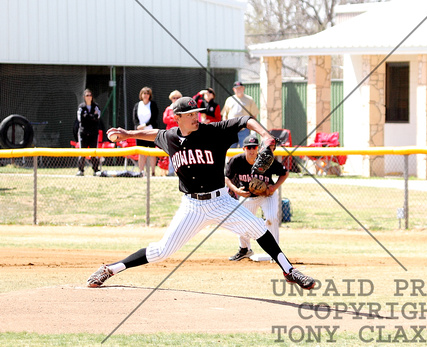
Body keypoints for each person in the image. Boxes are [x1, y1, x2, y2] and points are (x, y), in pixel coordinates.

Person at [87, 97, 316, 290]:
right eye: (190, 114)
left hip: (220, 201)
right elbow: (155, 133)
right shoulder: (171, 138)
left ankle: (289, 270)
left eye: (196, 112)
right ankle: (110, 269)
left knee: (258, 228)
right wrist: (128, 134)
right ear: (177, 117)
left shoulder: (214, 132)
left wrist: (266, 136)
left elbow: (246, 120)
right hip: (192, 207)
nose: (196, 117)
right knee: (161, 251)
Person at [225, 135, 289, 261]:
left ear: (258, 148)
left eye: (254, 147)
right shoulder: (237, 160)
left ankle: (275, 254)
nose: (251, 150)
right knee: (242, 221)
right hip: (247, 195)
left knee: (272, 218)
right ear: (244, 148)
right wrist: (236, 190)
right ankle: (244, 249)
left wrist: (274, 187)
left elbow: (285, 172)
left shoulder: (266, 160)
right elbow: (227, 177)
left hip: (267, 196)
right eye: (249, 147)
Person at [221, 81, 258, 147]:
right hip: (231, 129)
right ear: (233, 89)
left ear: (243, 88)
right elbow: (224, 115)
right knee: (230, 149)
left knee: (245, 148)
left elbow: (254, 115)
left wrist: (252, 128)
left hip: (244, 129)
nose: (239, 90)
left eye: (240, 88)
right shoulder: (229, 99)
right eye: (237, 88)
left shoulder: (249, 99)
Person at [132, 87, 159, 176]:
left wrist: (144, 125)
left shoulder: (153, 104)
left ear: (150, 95)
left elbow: (154, 118)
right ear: (141, 95)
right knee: (141, 152)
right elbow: (135, 118)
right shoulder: (137, 105)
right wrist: (138, 126)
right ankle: (141, 171)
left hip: (151, 132)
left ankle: (153, 171)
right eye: (144, 93)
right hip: (140, 133)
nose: (146, 95)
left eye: (147, 93)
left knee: (152, 151)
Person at [76, 89, 101, 176]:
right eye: (87, 95)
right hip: (83, 133)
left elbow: (97, 118)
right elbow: (81, 119)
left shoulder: (95, 106)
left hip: (93, 133)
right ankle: (81, 170)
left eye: (90, 95)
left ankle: (96, 170)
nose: (89, 97)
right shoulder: (81, 107)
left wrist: (87, 116)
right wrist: (92, 116)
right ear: (84, 97)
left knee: (94, 152)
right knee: (82, 152)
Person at [163, 90, 182, 176]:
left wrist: (173, 118)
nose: (175, 99)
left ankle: (180, 172)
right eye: (174, 98)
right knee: (171, 153)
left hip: (180, 133)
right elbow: (165, 119)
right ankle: (171, 171)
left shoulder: (181, 108)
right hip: (170, 133)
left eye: (177, 98)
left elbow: (181, 119)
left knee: (181, 153)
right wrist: (174, 118)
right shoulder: (168, 108)